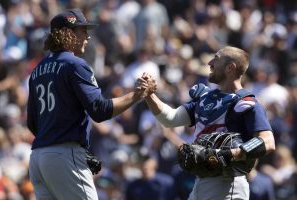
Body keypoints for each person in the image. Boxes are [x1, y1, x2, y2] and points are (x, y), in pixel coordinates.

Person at [26, 9, 156, 200]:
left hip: (38, 158)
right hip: (64, 154)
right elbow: (99, 110)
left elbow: (32, 123)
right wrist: (137, 95)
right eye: (82, 30)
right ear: (68, 33)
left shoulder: (37, 71)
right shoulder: (75, 64)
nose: (87, 36)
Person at [144, 46, 275, 200]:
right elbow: (170, 119)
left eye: (216, 59)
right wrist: (149, 95)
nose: (210, 63)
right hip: (200, 183)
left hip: (229, 186)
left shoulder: (246, 103)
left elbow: (268, 142)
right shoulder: (205, 99)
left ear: (230, 67)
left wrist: (230, 154)